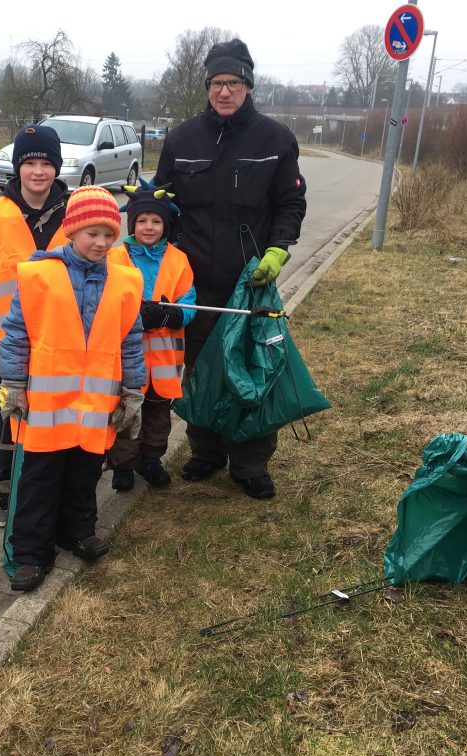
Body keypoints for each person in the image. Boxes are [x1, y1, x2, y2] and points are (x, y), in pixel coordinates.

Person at [154, 38, 307, 500]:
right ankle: (205, 450)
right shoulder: (181, 139)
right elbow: (162, 205)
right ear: (207, 86)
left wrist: (278, 249)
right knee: (199, 368)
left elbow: (290, 202)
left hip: (251, 281)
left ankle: (250, 463)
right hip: (194, 282)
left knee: (253, 368)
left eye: (234, 83)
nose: (225, 91)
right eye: (217, 83)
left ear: (248, 85)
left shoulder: (275, 138)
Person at [0, 186, 146, 592]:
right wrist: (13, 385)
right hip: (47, 404)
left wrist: (134, 390)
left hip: (96, 402)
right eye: (91, 233)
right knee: (39, 479)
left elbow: (131, 340)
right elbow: (16, 335)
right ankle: (31, 552)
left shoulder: (126, 281)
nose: (100, 243)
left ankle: (77, 532)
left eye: (108, 235)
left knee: (84, 473)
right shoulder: (38, 274)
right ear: (70, 231)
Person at [0, 125, 69, 527]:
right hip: (10, 345)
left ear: (56, 167)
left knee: (61, 415)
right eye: (29, 163)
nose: (38, 172)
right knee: (14, 416)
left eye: (46, 163)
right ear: (17, 168)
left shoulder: (76, 214)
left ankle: (56, 491)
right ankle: (7, 490)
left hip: (66, 343)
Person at [106, 184, 197, 492]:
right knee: (125, 412)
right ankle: (123, 465)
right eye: (142, 220)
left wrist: (174, 315)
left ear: (165, 226)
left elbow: (189, 299)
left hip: (164, 361)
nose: (149, 227)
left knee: (158, 415)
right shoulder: (115, 258)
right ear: (132, 224)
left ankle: (151, 459)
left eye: (156, 222)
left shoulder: (178, 259)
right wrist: (134, 317)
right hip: (127, 359)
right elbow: (105, 302)